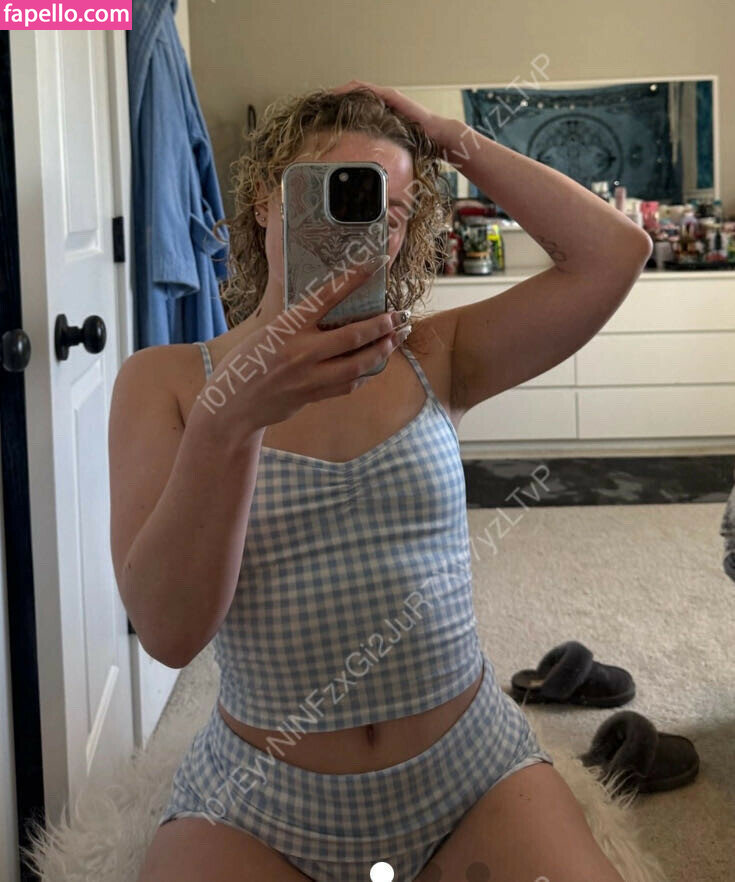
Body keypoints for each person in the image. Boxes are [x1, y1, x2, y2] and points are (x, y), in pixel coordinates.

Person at [111, 81, 651, 882]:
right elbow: (168, 633)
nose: (360, 236)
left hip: (470, 775)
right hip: (260, 803)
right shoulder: (167, 383)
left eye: (387, 214)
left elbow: (613, 252)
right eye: (333, 198)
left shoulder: (436, 355)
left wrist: (448, 138)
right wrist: (230, 422)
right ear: (263, 203)